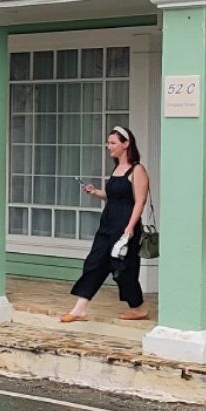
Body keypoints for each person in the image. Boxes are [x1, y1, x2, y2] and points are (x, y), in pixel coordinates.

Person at [60, 126, 149, 323]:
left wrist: (130, 227)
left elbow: (140, 201)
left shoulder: (138, 170)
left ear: (126, 144)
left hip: (126, 225)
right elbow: (112, 197)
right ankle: (79, 309)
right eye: (108, 143)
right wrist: (95, 192)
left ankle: (138, 308)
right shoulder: (116, 168)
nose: (108, 147)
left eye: (113, 143)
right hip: (107, 223)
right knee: (95, 262)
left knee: (124, 269)